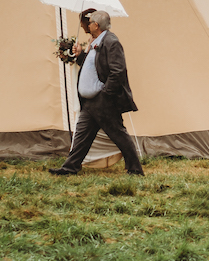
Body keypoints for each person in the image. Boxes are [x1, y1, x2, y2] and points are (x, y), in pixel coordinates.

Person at [49, 10, 144, 176]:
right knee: (82, 135)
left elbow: (118, 72)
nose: (87, 24)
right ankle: (70, 167)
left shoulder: (111, 42)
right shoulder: (96, 42)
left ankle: (135, 170)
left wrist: (105, 94)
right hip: (90, 102)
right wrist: (79, 56)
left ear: (96, 25)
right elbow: (93, 67)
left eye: (90, 22)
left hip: (104, 102)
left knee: (118, 134)